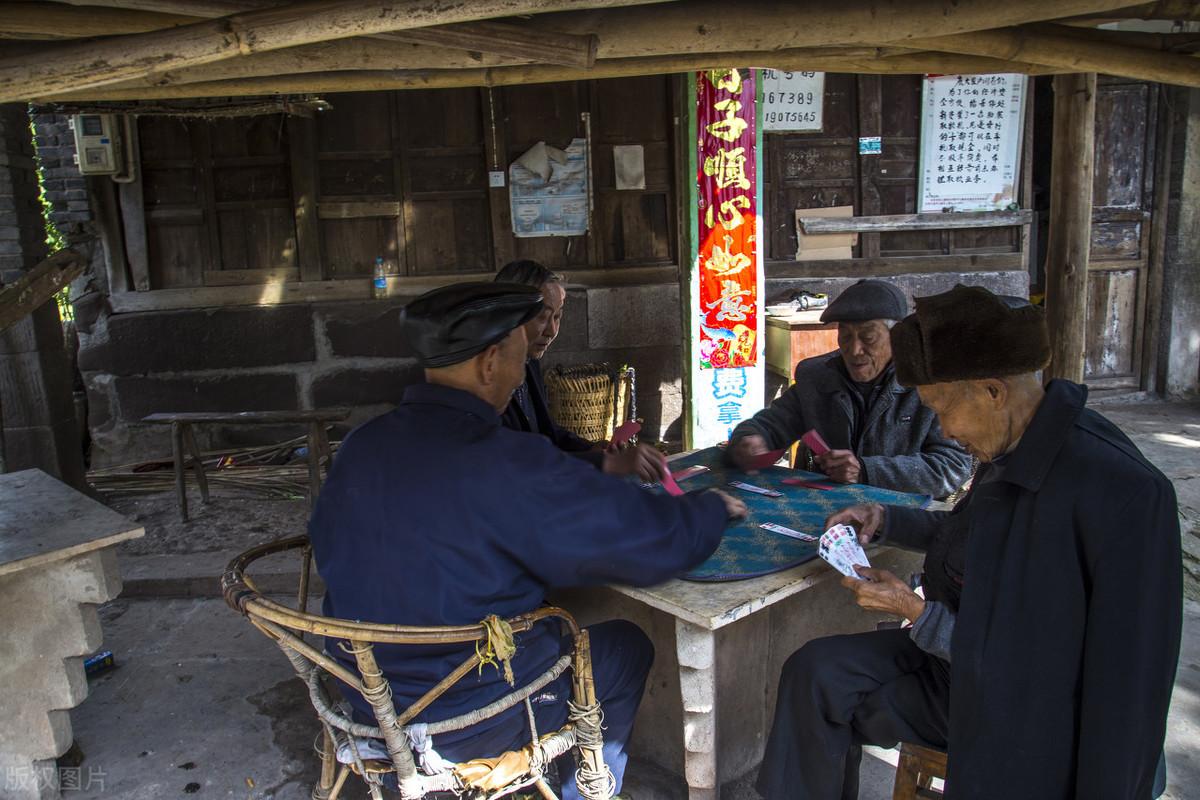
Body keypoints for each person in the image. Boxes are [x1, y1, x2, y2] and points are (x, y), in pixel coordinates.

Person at [309, 281, 747, 799]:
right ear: (491, 361)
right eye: (521, 352)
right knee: (625, 647)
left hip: (364, 698)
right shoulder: (505, 460)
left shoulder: (361, 446)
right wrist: (709, 509)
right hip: (471, 717)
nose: (524, 370)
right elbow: (651, 543)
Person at [756, 285, 1181, 800]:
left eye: (941, 409)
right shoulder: (1008, 451)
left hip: (1027, 715)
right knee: (816, 674)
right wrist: (885, 518)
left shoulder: (1123, 493)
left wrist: (915, 610)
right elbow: (970, 537)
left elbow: (1111, 682)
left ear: (992, 391)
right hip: (953, 668)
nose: (944, 430)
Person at [728, 279, 971, 498]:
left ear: (896, 337)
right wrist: (750, 439)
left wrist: (867, 471)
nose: (854, 350)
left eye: (868, 338)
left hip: (899, 515)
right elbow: (771, 424)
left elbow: (951, 466)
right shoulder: (818, 377)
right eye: (845, 336)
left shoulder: (930, 385)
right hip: (825, 509)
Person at [495, 259, 667, 483]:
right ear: (510, 312)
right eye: (542, 317)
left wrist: (593, 449)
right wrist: (606, 463)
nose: (552, 330)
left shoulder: (528, 361)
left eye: (557, 317)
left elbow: (549, 434)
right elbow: (518, 461)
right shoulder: (489, 377)